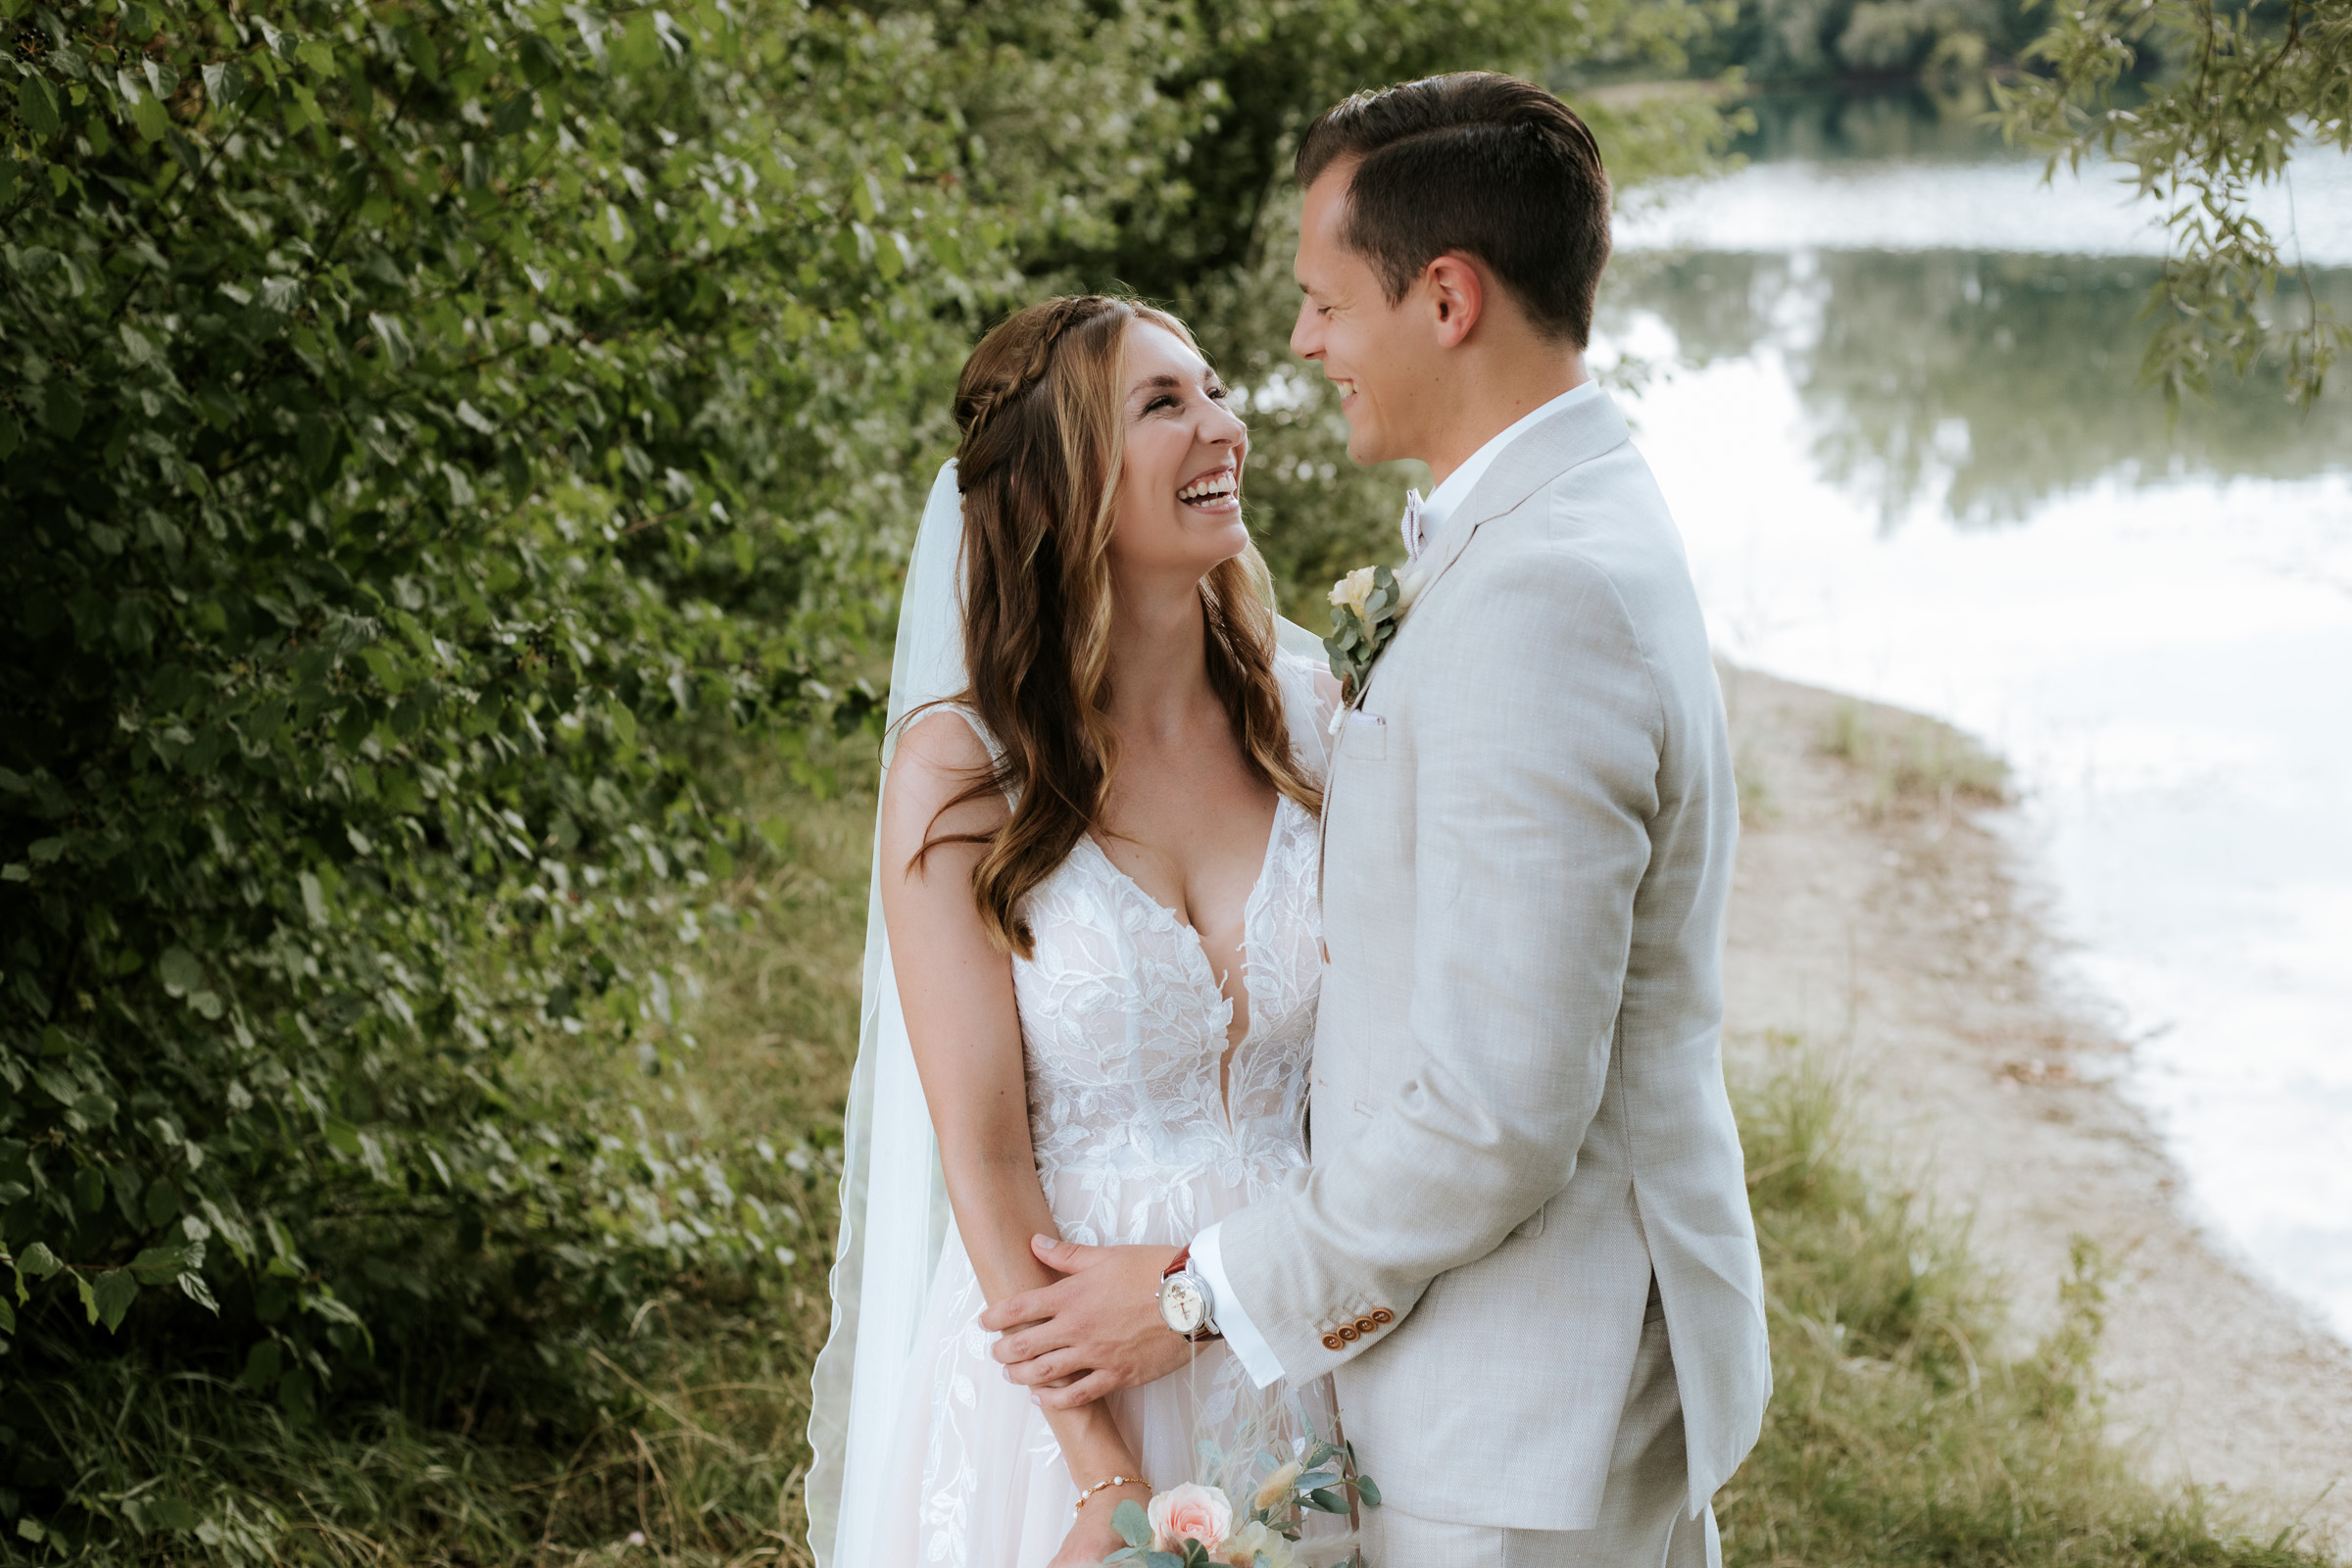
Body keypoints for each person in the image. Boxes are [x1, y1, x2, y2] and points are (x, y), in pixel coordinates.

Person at [981, 74, 1773, 1564]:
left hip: (1526, 1406)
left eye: (1326, 300)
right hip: (1480, 1378)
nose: (1298, 345)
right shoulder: (1560, 520)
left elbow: (1496, 1114)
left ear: (1449, 299)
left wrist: (1190, 1295)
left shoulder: (1534, 597)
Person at [802, 295, 1352, 1566]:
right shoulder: (962, 773)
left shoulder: (1315, 714)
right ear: (1064, 487)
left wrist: (1245, 1302)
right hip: (1063, 1383)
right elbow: (985, 1162)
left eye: (1215, 389)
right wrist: (1102, 1477)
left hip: (1292, 1342)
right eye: (1166, 404)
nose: (1226, 426)